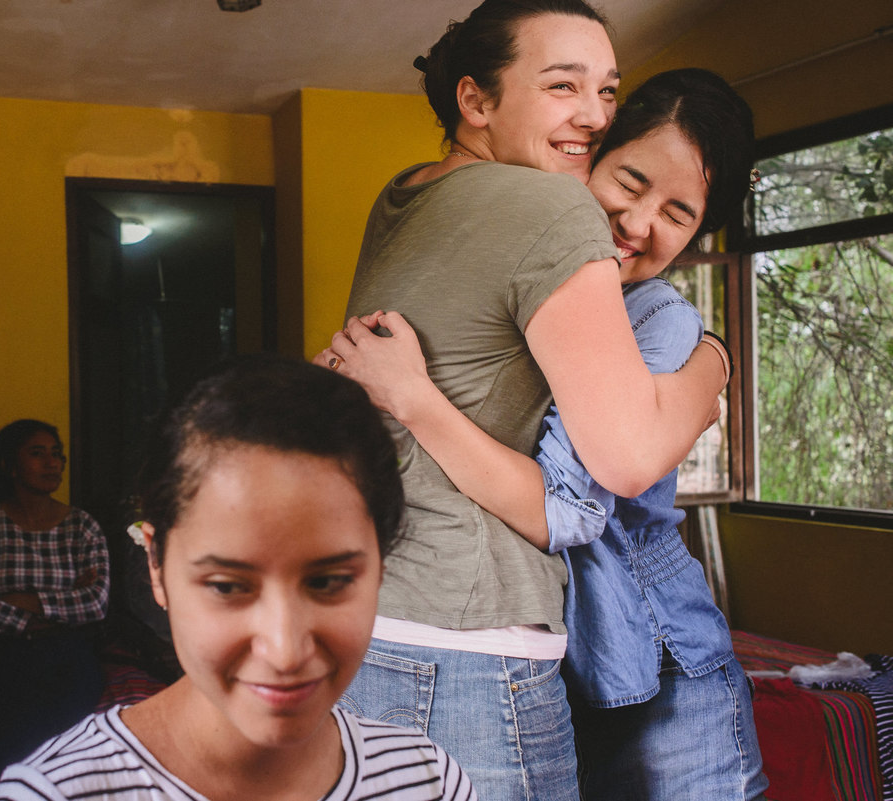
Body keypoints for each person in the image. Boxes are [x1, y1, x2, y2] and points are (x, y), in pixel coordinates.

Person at [311, 2, 732, 798]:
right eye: (562, 86)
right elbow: (627, 456)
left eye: (606, 90)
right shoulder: (550, 208)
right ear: (476, 101)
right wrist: (716, 363)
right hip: (471, 633)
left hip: (371, 618)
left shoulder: (402, 195)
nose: (593, 116)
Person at [0, 355, 474, 801]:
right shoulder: (54, 795)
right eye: (227, 586)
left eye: (328, 582)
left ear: (380, 570)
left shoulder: (426, 781)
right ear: (156, 567)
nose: (285, 652)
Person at [0, 419, 110, 786]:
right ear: (9, 465)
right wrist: (60, 606)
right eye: (37, 454)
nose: (52, 463)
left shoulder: (83, 527)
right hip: (0, 654)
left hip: (65, 656)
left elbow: (95, 604)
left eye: (57, 455)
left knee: (64, 734)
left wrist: (20, 600)